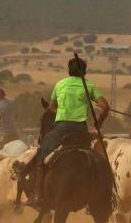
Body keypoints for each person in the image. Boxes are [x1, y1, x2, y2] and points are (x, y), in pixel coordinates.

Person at [22, 56, 110, 206]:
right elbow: (105, 107)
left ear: (69, 71)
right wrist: (98, 123)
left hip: (61, 128)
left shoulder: (60, 84)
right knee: (100, 160)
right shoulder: (89, 86)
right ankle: (104, 193)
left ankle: (37, 194)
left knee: (42, 155)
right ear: (84, 72)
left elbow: (51, 107)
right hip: (81, 130)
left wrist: (60, 112)